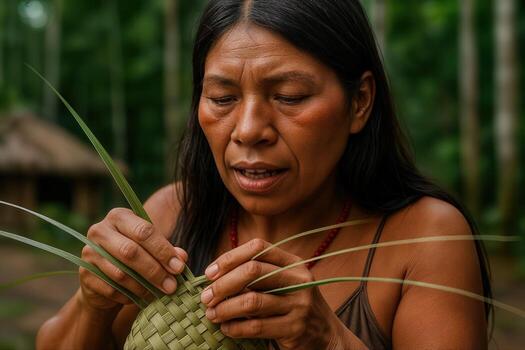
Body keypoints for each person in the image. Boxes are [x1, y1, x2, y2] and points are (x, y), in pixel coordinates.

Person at [36, 0, 491, 349]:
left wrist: (330, 340)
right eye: (221, 97)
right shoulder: (173, 212)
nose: (249, 129)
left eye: (289, 96)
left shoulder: (426, 239)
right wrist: (92, 303)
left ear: (360, 102)